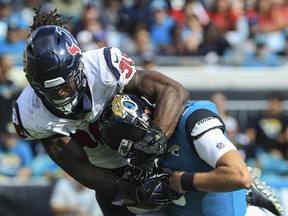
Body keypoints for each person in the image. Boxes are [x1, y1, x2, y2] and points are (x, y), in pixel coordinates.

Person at [11, 7, 189, 216]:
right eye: (50, 91)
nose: (60, 94)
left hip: (157, 149)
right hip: (110, 174)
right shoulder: (30, 113)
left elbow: (174, 91)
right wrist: (131, 190)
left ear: (78, 67)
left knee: (121, 114)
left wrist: (150, 147)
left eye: (65, 85)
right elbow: (77, 166)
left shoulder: (102, 67)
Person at [98, 93, 283, 216]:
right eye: (130, 145)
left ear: (147, 114)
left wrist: (183, 181)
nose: (137, 147)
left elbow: (239, 176)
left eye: (136, 136)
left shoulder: (193, 120)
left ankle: (246, 196)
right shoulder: (138, 152)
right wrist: (147, 195)